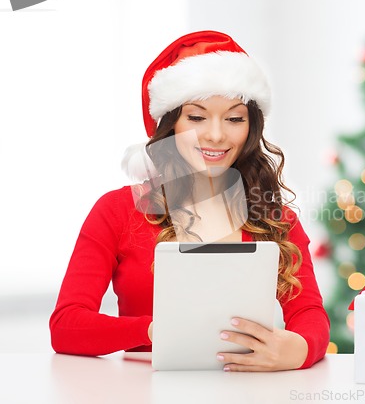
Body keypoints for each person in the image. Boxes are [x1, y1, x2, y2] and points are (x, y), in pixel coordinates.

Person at [49, 30, 330, 371]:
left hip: (245, 387)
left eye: (234, 118)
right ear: (171, 125)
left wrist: (300, 348)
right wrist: (157, 331)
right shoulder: (118, 210)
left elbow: (309, 314)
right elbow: (66, 326)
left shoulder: (275, 217)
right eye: (196, 117)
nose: (216, 135)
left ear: (251, 127)